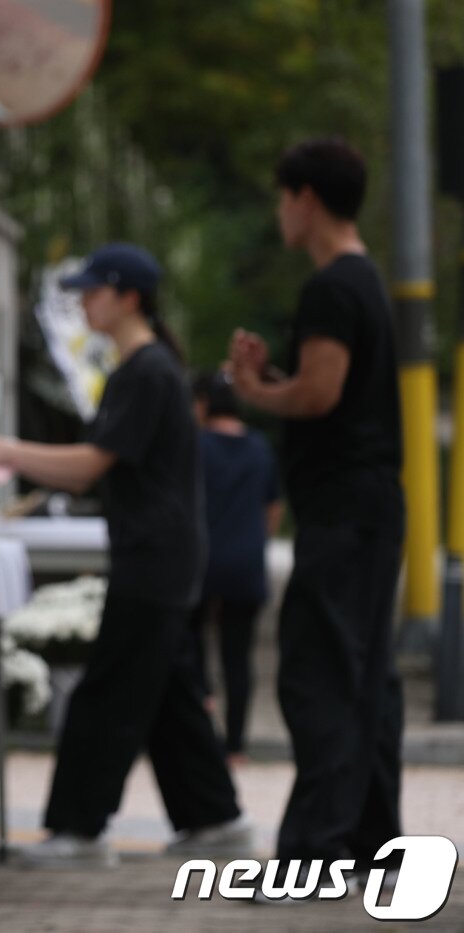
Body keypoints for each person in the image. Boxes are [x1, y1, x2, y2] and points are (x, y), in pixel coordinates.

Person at [0, 243, 251, 868]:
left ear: (129, 297)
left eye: (95, 292)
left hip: (153, 558)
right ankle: (215, 820)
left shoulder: (144, 372)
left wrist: (6, 451)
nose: (84, 302)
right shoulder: (148, 369)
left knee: (108, 695)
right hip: (163, 555)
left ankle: (79, 830)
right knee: (167, 693)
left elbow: (91, 467)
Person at [227, 138, 404, 879]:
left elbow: (321, 393)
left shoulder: (332, 288)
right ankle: (369, 840)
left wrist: (253, 389)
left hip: (343, 507)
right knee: (364, 673)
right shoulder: (366, 283)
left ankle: (314, 846)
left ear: (306, 198)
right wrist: (277, 376)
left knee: (319, 671)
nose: (280, 213)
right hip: (370, 506)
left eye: (283, 196)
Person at [187, 371, 283, 764]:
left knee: (192, 651)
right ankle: (237, 746)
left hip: (201, 562)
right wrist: (257, 540)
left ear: (204, 404)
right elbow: (273, 507)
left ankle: (200, 733)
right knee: (237, 657)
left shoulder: (195, 446)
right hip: (246, 563)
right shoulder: (260, 447)